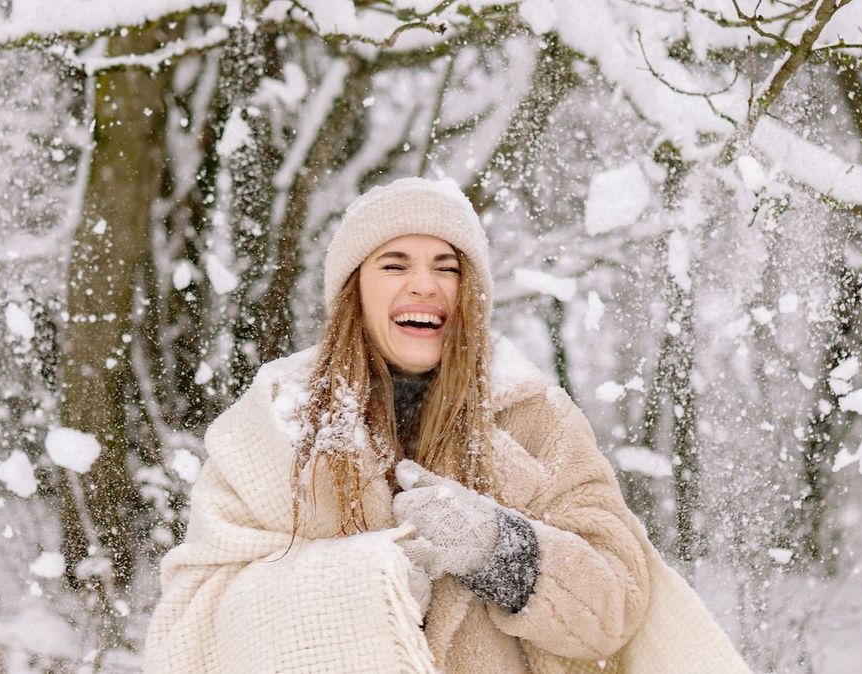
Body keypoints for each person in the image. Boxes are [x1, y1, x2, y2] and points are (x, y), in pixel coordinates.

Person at [142, 177, 749, 674]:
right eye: (394, 263)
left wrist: (501, 550)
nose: (424, 285)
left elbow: (615, 605)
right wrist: (366, 590)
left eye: (446, 267)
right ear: (355, 290)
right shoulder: (276, 424)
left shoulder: (537, 418)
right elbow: (190, 626)